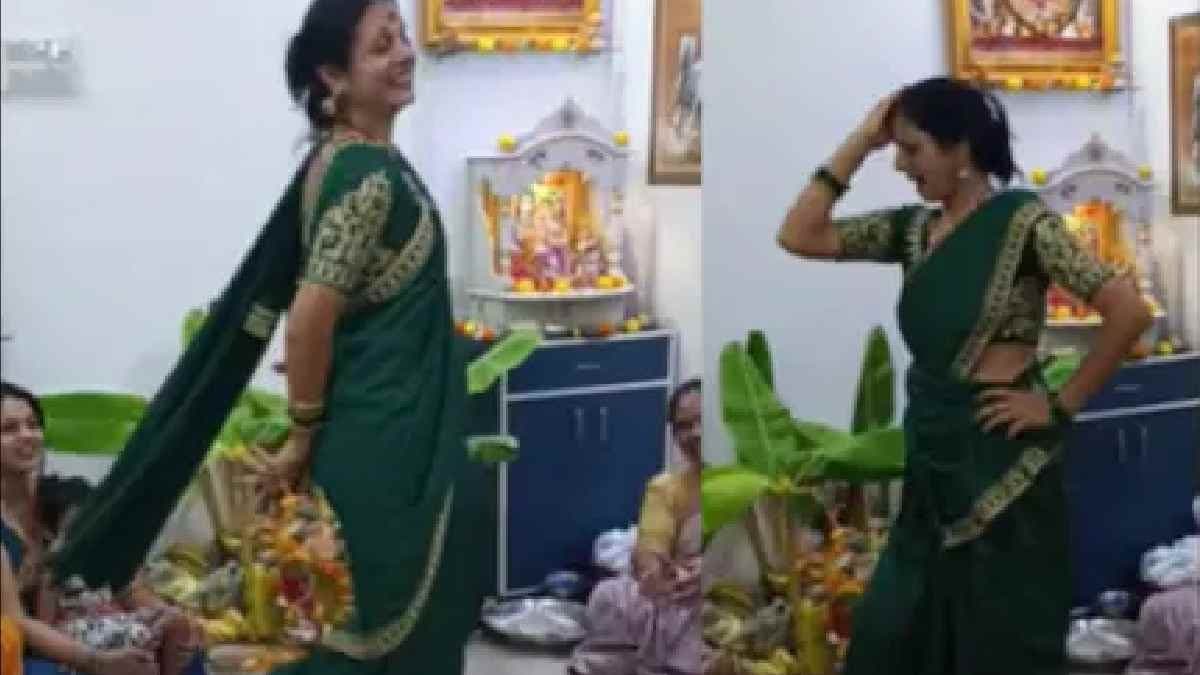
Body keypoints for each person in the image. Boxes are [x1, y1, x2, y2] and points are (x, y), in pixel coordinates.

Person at [49, 1, 478, 673]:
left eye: (401, 38)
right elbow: (309, 315)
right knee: (372, 630)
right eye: (379, 47)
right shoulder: (365, 176)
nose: (403, 54)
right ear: (332, 78)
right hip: (385, 446)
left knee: (365, 621)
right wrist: (302, 433)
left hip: (389, 429)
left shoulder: (349, 162)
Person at [776, 77, 1152, 674]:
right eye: (896, 149)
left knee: (996, 638)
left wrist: (1058, 406)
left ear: (963, 150)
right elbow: (799, 234)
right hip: (933, 458)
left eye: (914, 149)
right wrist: (860, 142)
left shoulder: (1024, 224)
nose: (901, 164)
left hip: (1001, 465)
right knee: (890, 630)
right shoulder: (911, 233)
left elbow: (1129, 311)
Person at [1, 382, 202, 675]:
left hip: (84, 622)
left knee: (180, 640)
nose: (27, 436)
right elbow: (17, 623)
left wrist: (164, 614)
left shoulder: (70, 498)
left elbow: (122, 579)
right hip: (26, 644)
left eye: (32, 425)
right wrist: (96, 661)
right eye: (9, 429)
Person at [568, 379, 705, 675]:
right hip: (676, 593)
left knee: (708, 617)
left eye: (702, 422)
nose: (695, 433)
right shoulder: (666, 488)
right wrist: (655, 573)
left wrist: (714, 570)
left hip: (726, 593)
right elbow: (649, 549)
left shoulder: (752, 485)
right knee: (609, 594)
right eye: (683, 426)